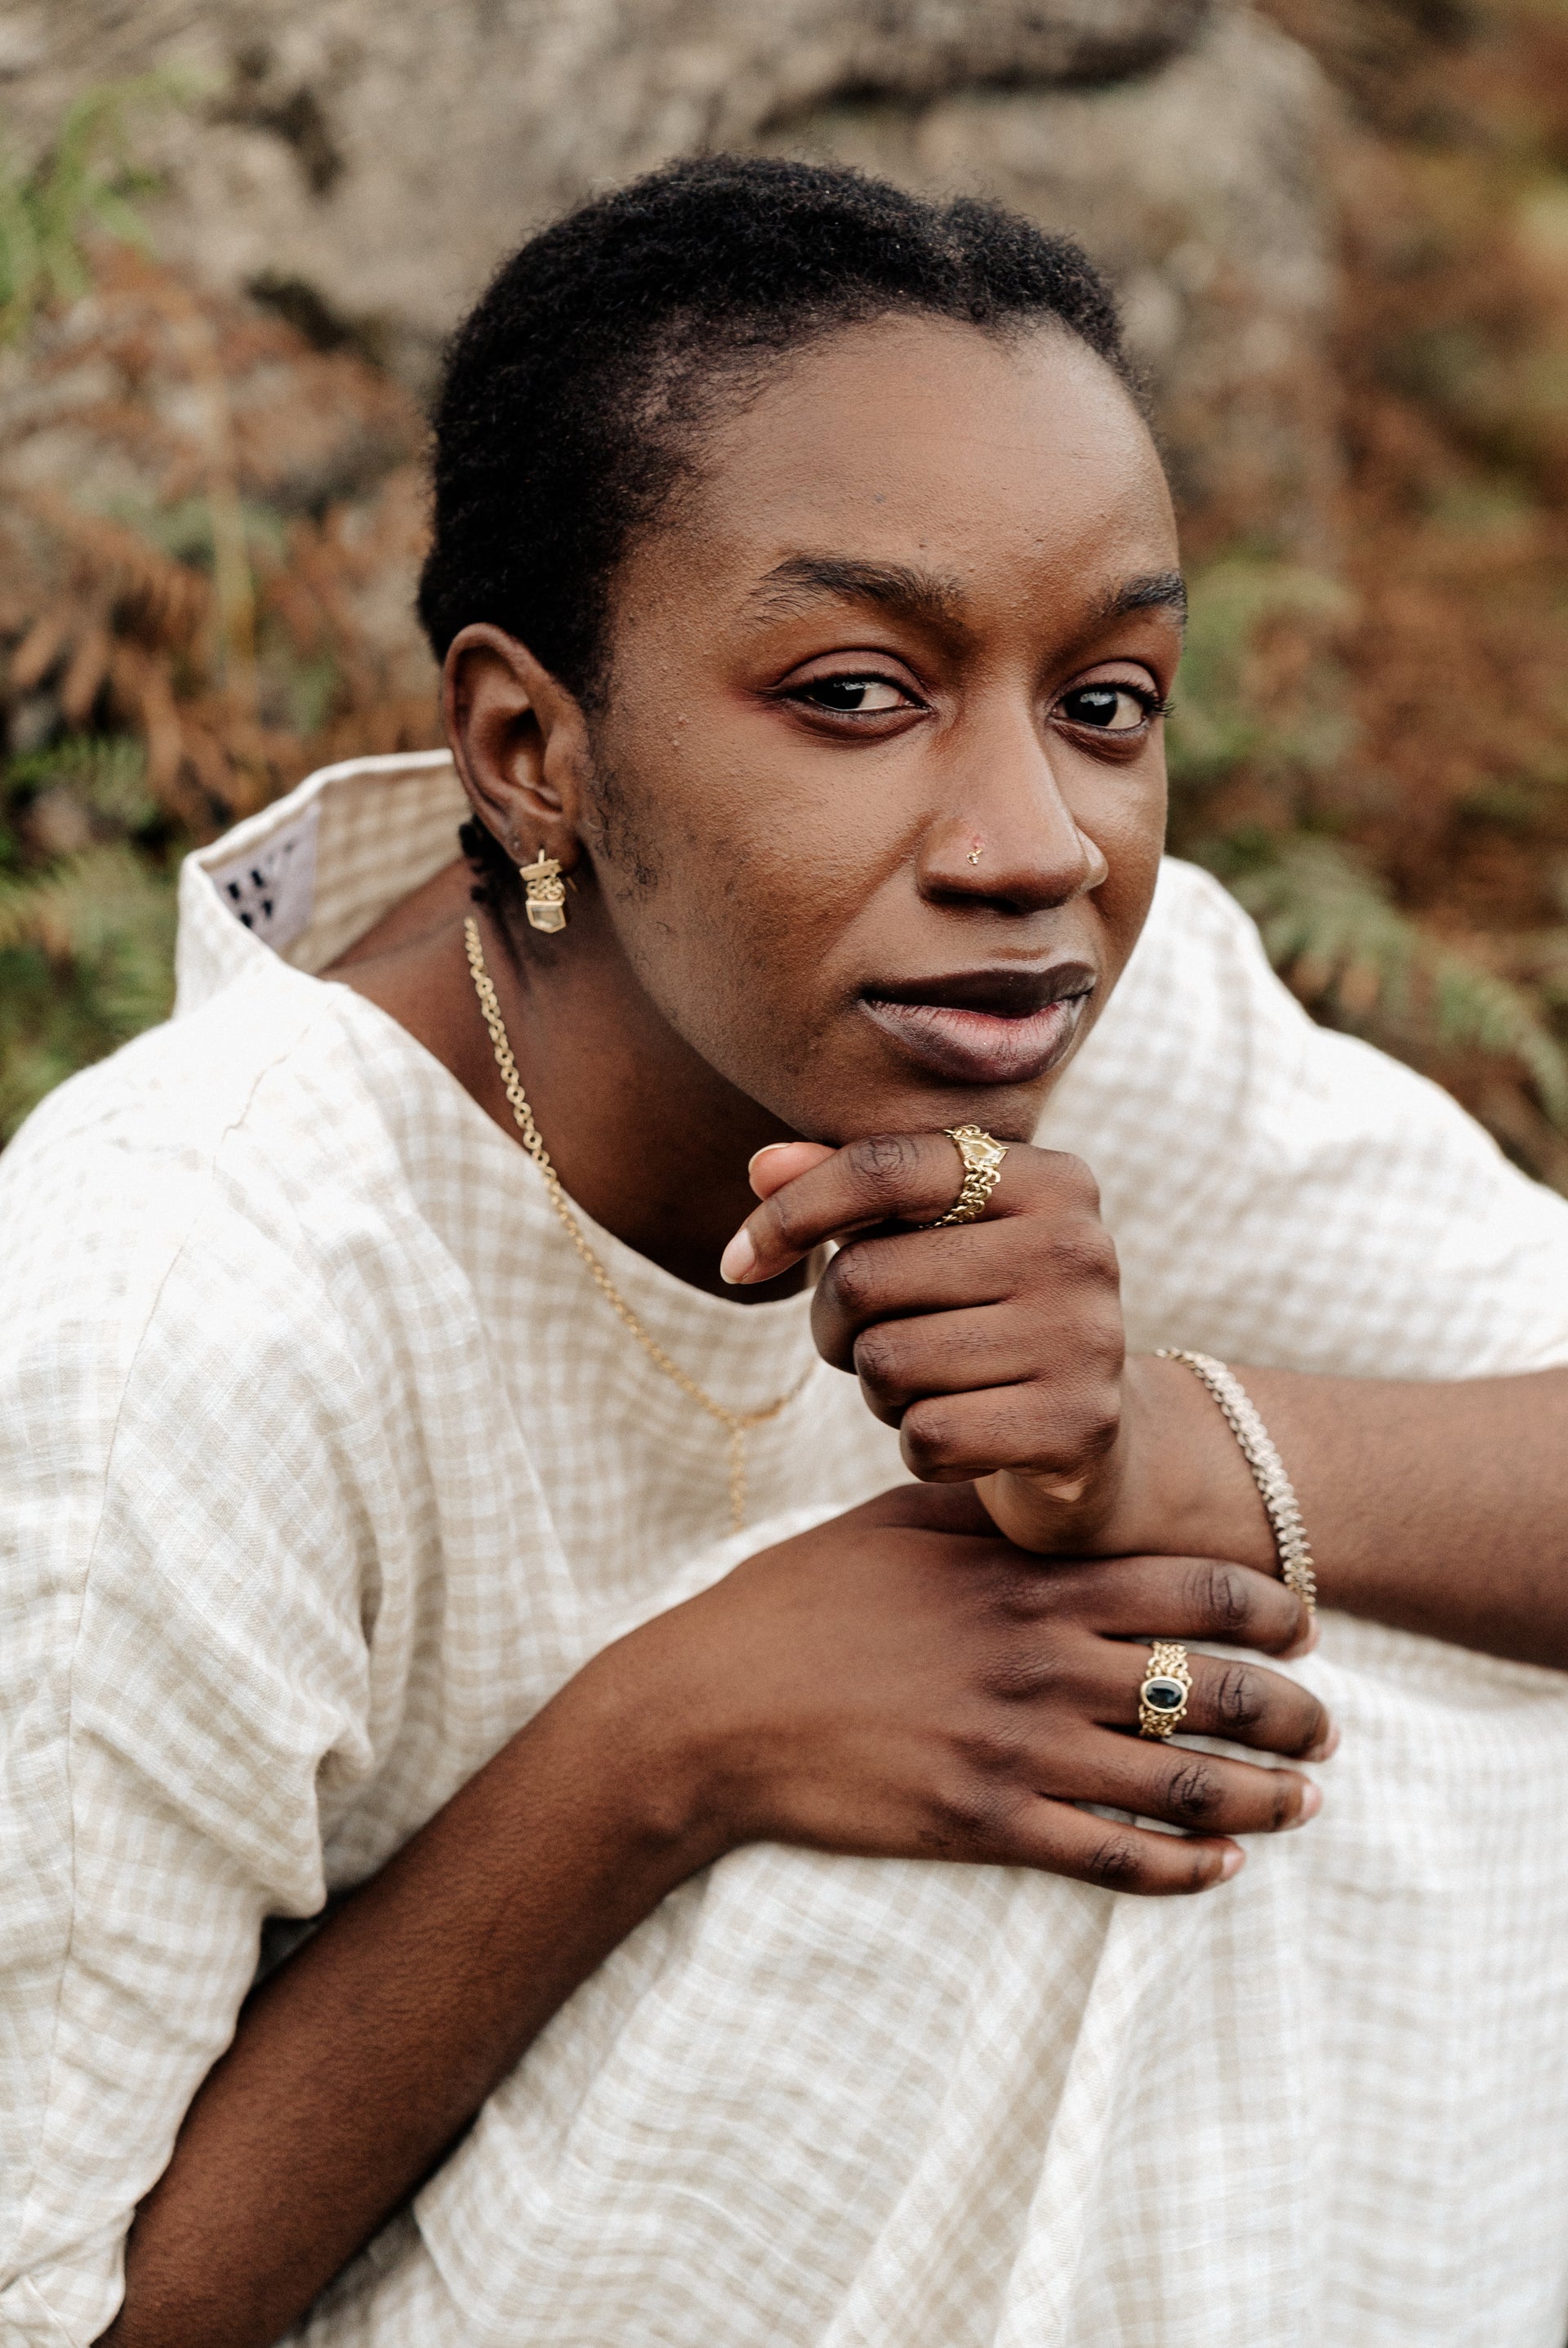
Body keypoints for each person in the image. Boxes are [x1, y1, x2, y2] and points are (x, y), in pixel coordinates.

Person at [4, 157, 1568, 2348]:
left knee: (1354, 1725)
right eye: (857, 690)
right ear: (532, 747)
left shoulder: (1072, 1008)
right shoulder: (185, 1299)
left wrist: (1173, 1453)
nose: (1033, 845)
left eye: (1106, 699)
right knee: (1092, 1831)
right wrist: (671, 1744)